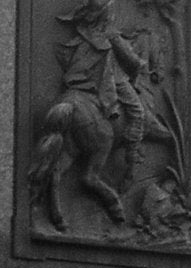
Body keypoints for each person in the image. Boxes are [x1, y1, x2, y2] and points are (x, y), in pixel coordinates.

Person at [57, 0, 147, 165]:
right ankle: (132, 153)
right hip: (110, 79)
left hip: (84, 79)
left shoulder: (84, 33)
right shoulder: (111, 33)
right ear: (106, 14)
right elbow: (130, 59)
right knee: (138, 111)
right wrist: (140, 64)